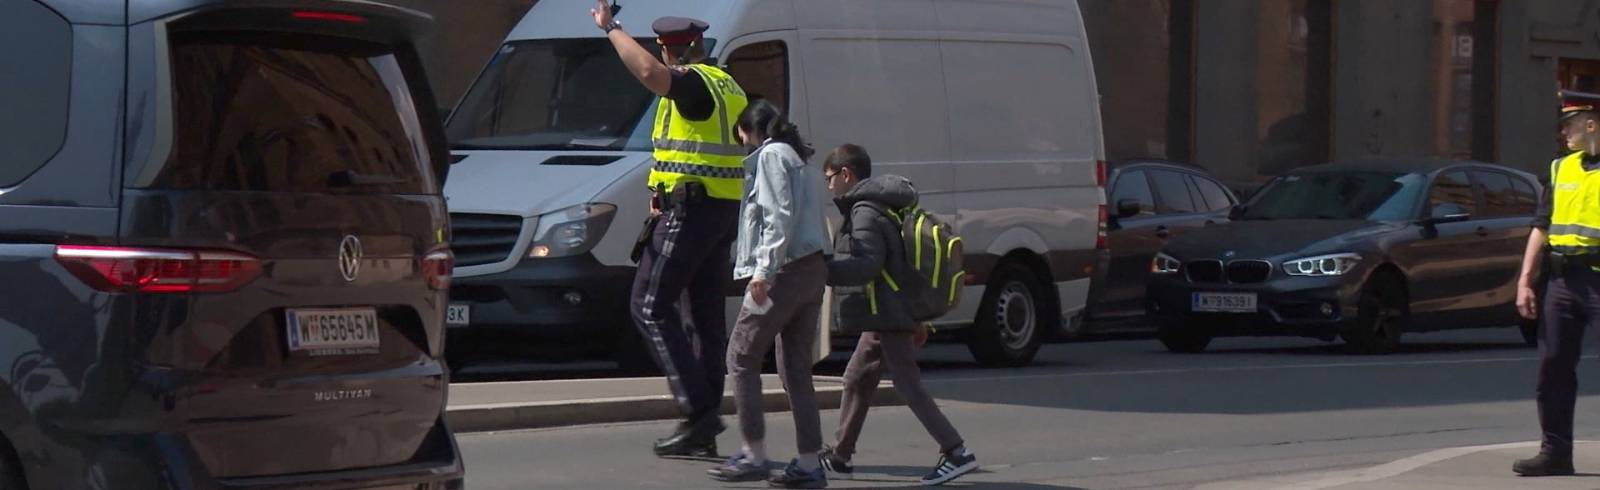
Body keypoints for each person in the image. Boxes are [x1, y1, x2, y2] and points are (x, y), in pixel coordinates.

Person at [588, 1, 750, 457]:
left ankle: (699, 411)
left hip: (692, 211)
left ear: (669, 50)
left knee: (648, 305)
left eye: (662, 52)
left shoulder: (693, 83)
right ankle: (703, 421)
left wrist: (611, 29)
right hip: (717, 212)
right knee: (702, 317)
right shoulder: (727, 83)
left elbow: (649, 74)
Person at [815, 144, 978, 486]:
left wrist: (823, 269)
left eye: (830, 179)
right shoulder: (884, 207)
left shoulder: (864, 211)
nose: (829, 187)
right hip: (886, 310)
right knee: (857, 376)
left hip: (887, 310)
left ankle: (956, 452)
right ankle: (841, 456)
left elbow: (867, 265)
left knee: (907, 383)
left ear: (846, 174)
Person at [706, 100, 833, 488]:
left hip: (784, 271)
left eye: (743, 134)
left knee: (741, 356)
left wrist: (763, 271)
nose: (743, 143)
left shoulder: (772, 156)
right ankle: (810, 463)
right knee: (796, 368)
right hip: (811, 268)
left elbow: (778, 215)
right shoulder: (800, 158)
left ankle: (753, 453)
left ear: (753, 129)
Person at [1514, 92, 1600, 476]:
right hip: (1563, 282)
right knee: (1553, 368)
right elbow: (1542, 226)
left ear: (1592, 124)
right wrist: (1525, 281)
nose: (1564, 132)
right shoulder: (1560, 168)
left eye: (1570, 124)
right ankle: (1555, 452)